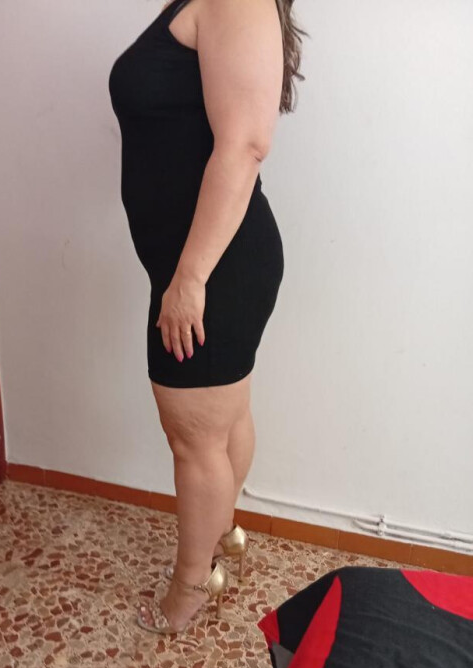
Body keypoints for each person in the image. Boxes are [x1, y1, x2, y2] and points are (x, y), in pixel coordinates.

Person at [108, 0, 305, 634]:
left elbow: (246, 145)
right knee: (222, 421)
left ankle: (190, 588)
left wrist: (190, 279)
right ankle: (224, 538)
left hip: (211, 267)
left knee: (194, 441)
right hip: (201, 264)